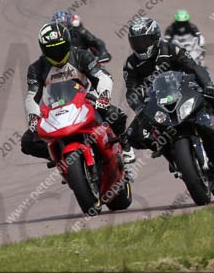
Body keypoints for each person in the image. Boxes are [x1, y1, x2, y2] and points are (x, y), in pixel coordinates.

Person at [123, 17, 214, 154]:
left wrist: (208, 85)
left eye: (144, 41)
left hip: (184, 89)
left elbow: (194, 67)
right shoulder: (131, 64)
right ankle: (166, 150)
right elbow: (131, 91)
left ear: (156, 37)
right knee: (132, 135)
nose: (141, 46)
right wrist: (139, 108)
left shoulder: (172, 49)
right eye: (136, 42)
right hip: (156, 101)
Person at [21, 21, 135, 168]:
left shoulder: (81, 55)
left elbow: (101, 76)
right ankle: (59, 156)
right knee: (27, 142)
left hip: (87, 101)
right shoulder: (37, 68)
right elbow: (32, 95)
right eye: (51, 50)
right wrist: (33, 115)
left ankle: (125, 147)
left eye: (60, 48)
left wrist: (104, 95)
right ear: (43, 49)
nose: (56, 53)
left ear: (67, 43)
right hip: (55, 108)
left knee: (116, 114)